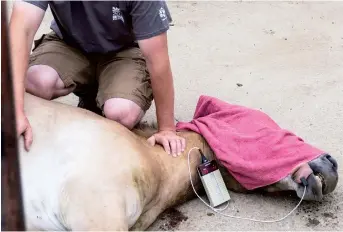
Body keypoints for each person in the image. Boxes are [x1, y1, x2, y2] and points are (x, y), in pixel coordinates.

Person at [9, 1, 186, 157]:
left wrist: (167, 129)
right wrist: (14, 111)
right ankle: (90, 94)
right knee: (36, 80)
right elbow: (21, 30)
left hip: (125, 50)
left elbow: (157, 61)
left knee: (121, 113)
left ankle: (109, 94)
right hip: (70, 43)